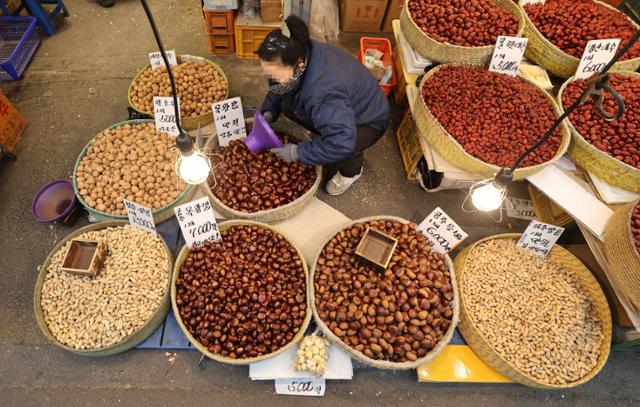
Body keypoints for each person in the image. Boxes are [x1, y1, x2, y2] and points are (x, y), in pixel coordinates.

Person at [258, 16, 390, 196]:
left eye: (276, 72)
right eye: (267, 70)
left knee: (346, 146)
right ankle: (326, 132)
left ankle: (350, 173)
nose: (271, 76)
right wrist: (269, 110)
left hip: (368, 120)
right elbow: (279, 86)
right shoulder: (301, 50)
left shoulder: (322, 92)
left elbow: (342, 142)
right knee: (288, 105)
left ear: (299, 65)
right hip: (340, 107)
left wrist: (298, 152)